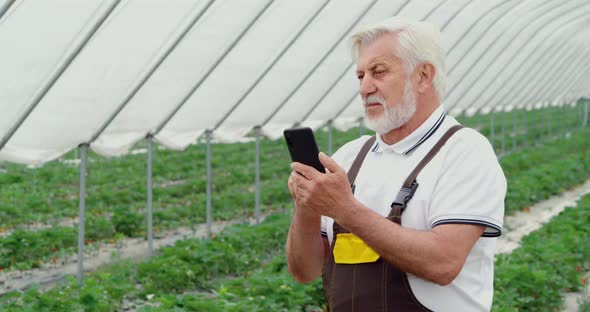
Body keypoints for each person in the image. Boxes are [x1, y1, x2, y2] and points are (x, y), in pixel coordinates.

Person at [285, 16, 506, 311]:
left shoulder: (464, 152)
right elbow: (305, 271)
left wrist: (343, 208)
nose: (365, 88)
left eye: (378, 71)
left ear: (424, 76)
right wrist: (307, 204)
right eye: (360, 75)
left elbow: (443, 263)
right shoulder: (349, 157)